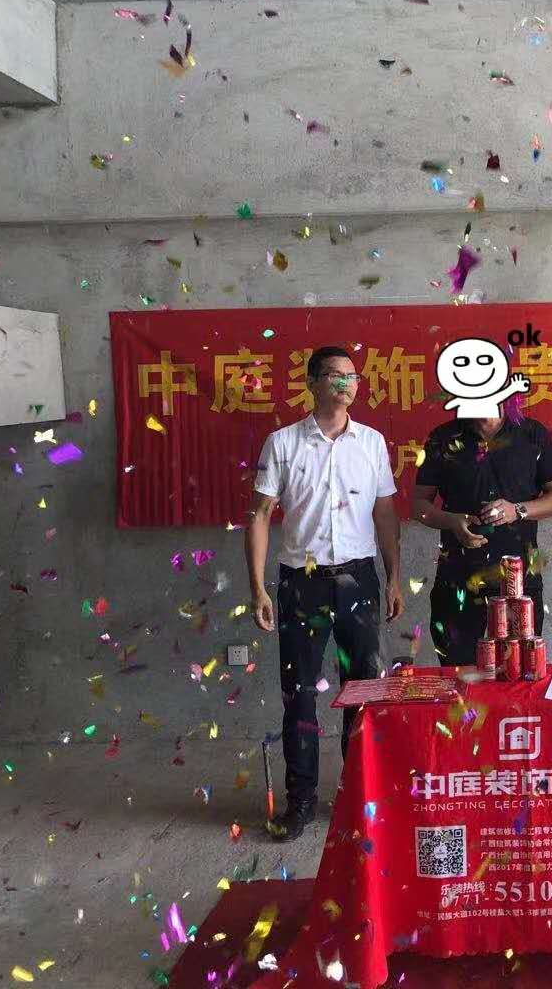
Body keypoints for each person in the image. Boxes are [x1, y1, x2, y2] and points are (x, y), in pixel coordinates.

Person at [245, 346, 404, 841]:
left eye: (352, 376)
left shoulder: (372, 442)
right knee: (299, 695)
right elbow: (259, 515)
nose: (345, 384)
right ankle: (301, 803)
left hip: (359, 579)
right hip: (302, 584)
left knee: (364, 691)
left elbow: (384, 513)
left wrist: (394, 576)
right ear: (312, 382)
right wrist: (258, 587)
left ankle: (361, 796)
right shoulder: (283, 443)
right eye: (335, 375)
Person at [411, 408, 552, 665]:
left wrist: (517, 510)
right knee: (460, 674)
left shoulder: (531, 433)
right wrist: (453, 521)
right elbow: (419, 506)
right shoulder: (443, 437)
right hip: (457, 579)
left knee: (517, 672)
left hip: (518, 582)